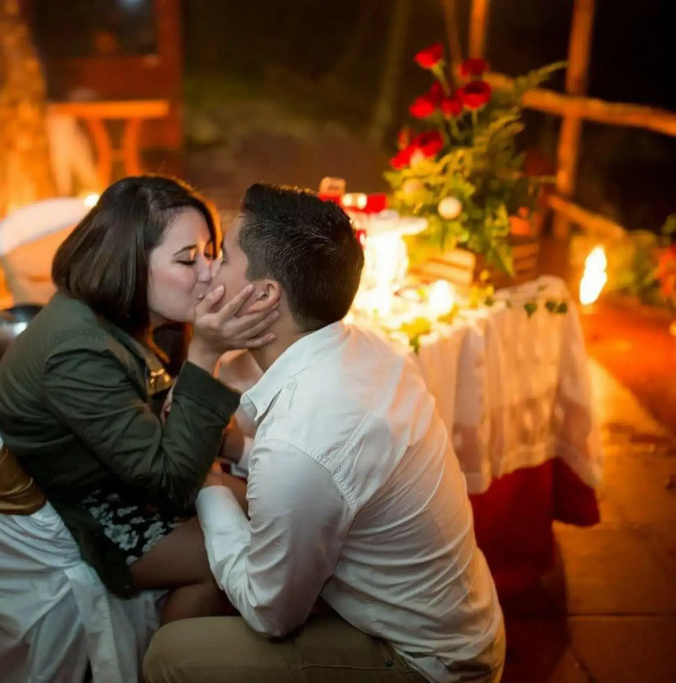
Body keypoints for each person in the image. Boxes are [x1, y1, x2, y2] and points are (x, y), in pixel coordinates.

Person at [144, 184, 505, 682]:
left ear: (264, 295)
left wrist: (206, 483)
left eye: (222, 257)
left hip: (428, 663)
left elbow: (269, 612)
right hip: (468, 623)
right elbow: (333, 469)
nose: (207, 271)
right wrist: (233, 447)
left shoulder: (299, 440)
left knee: (170, 654)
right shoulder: (369, 348)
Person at [0, 175, 279, 623]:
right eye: (188, 259)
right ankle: (174, 658)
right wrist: (206, 355)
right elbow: (172, 484)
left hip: (109, 471)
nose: (209, 271)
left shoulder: (127, 315)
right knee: (229, 563)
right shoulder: (79, 353)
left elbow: (169, 417)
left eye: (211, 253)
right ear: (129, 263)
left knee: (266, 509)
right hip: (71, 506)